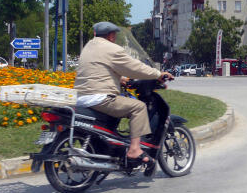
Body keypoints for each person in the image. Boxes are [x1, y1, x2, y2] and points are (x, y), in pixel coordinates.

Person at [74, 21, 174, 169]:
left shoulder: (88, 47)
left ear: (96, 34)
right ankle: (134, 150)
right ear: (111, 35)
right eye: (114, 35)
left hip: (81, 98)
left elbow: (98, 69)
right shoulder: (111, 49)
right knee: (138, 107)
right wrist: (158, 74)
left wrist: (121, 79)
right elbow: (134, 67)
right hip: (100, 98)